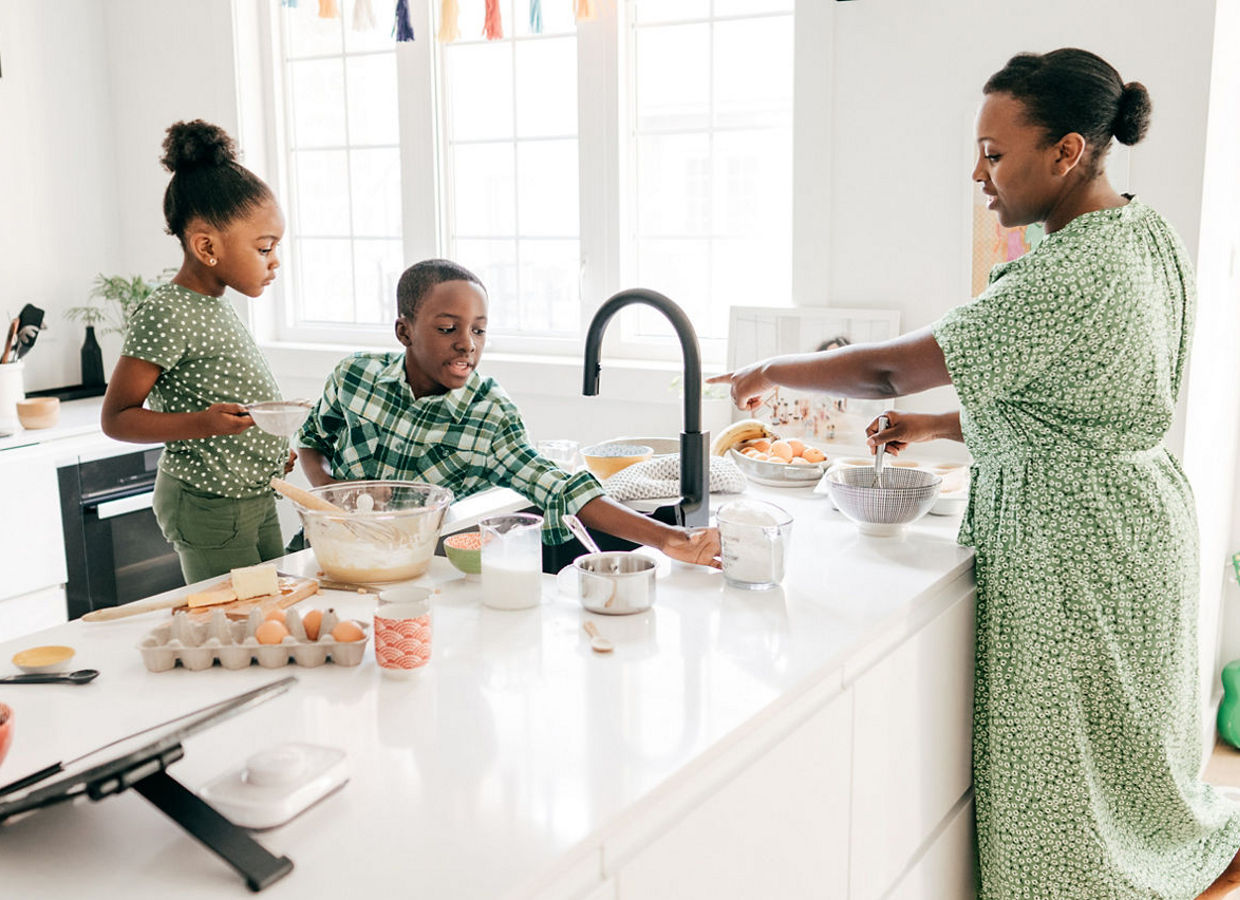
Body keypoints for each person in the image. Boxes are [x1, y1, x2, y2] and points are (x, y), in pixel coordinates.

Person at [710, 48, 1240, 899]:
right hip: (1137, 518)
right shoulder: (1145, 233)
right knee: (1125, 752)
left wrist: (772, 369)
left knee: (1064, 764)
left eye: (995, 154)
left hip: (1075, 542)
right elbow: (1081, 397)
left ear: (1068, 152)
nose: (978, 174)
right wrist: (943, 427)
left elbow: (892, 369)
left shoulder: (1065, 272)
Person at [294, 258, 720, 569]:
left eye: (478, 329)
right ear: (404, 331)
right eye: (448, 329)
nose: (467, 344)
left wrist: (670, 538)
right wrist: (335, 497)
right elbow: (313, 439)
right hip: (323, 553)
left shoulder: (490, 414)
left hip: (409, 573)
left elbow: (562, 490)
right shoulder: (354, 375)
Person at [101, 120, 294, 585]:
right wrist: (205, 423)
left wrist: (266, 449)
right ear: (207, 246)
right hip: (208, 504)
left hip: (252, 495)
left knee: (273, 610)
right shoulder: (167, 311)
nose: (275, 261)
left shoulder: (216, 305)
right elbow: (118, 418)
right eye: (264, 248)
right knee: (239, 626)